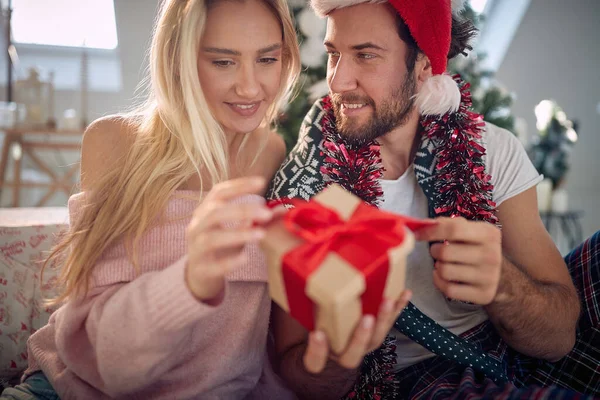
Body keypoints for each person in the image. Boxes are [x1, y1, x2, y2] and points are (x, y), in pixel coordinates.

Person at [267, 0, 599, 398]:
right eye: (334, 54)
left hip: (506, 338)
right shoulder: (304, 189)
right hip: (413, 378)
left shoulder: (490, 149)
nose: (337, 81)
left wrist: (502, 285)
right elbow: (293, 369)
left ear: (424, 66)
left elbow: (559, 336)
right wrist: (341, 354)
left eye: (366, 55)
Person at [1, 0, 300, 399]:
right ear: (179, 61)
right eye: (223, 62)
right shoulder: (116, 143)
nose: (249, 87)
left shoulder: (273, 154)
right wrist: (191, 281)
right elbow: (99, 352)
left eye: (267, 59)